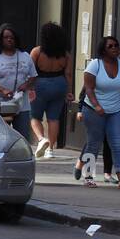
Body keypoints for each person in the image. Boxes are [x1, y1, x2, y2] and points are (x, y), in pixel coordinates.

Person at [76, 35, 120, 190]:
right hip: (94, 110)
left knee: (118, 144)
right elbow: (88, 88)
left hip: (117, 110)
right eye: (110, 46)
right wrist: (97, 106)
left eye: (116, 45)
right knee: (94, 142)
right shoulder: (95, 65)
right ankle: (88, 177)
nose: (115, 48)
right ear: (103, 50)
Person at [0, 23, 36, 143]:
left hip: (22, 105)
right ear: (1, 40)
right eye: (6, 37)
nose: (9, 40)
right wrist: (2, 90)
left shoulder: (25, 56)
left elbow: (33, 76)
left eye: (12, 37)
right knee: (1, 137)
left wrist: (26, 85)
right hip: (1, 104)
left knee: (22, 137)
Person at [29, 21, 71, 159]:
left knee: (35, 116)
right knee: (54, 118)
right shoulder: (65, 55)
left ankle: (42, 139)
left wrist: (29, 87)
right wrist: (69, 91)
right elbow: (68, 74)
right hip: (59, 84)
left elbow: (30, 71)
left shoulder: (37, 51)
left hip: (40, 84)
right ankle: (51, 149)